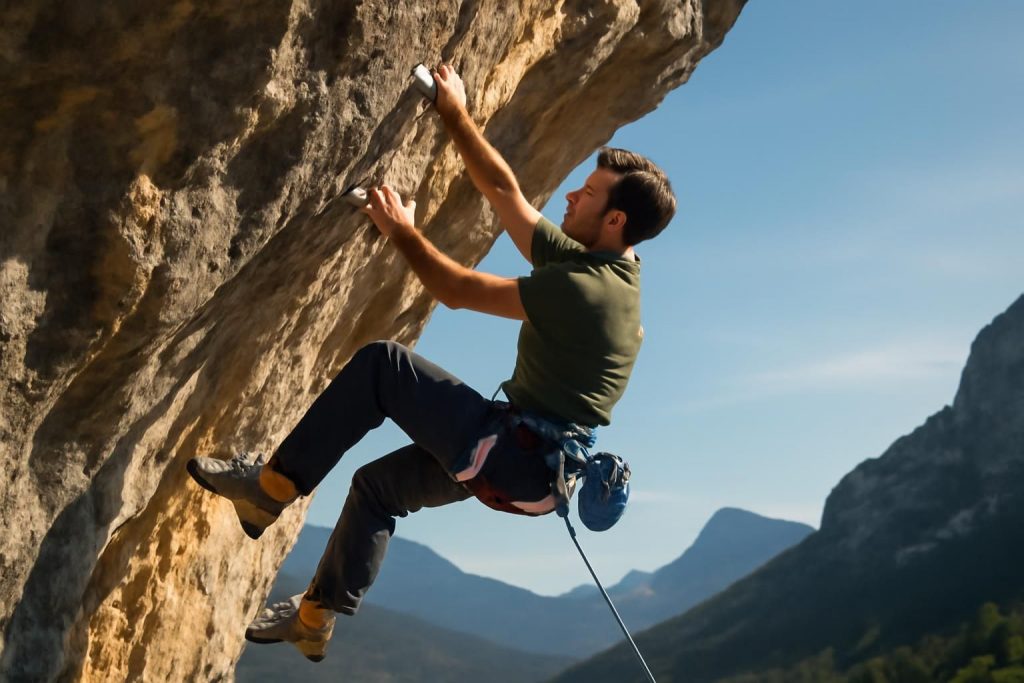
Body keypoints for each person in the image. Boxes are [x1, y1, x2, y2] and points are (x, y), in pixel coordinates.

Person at [187, 64, 676, 662]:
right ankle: (314, 618)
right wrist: (454, 112)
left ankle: (269, 488)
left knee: (383, 366)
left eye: (589, 193)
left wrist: (401, 231)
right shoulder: (611, 273)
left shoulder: (586, 291)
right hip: (530, 470)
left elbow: (459, 291)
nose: (572, 195)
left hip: (512, 450)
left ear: (615, 220)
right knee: (377, 489)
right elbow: (506, 195)